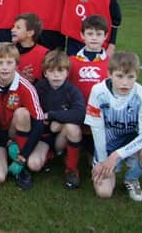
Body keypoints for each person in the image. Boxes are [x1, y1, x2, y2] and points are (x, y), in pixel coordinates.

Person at [85, 52, 142, 202]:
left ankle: (131, 179)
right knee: (104, 192)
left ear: (136, 76)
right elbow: (97, 128)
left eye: (130, 77)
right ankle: (109, 168)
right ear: (109, 74)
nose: (125, 83)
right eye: (119, 76)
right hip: (108, 145)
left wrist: (117, 155)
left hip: (133, 143)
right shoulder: (98, 92)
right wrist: (103, 160)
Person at [0, 43, 44, 190]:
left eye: (9, 62)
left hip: (17, 132)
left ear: (16, 65)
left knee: (22, 113)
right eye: (0, 63)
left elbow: (39, 123)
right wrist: (8, 143)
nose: (4, 67)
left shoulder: (25, 86)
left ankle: (20, 164)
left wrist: (24, 155)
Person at [34, 50, 85, 189]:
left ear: (67, 73)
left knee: (72, 127)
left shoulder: (72, 90)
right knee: (34, 165)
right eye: (51, 71)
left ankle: (72, 169)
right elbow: (33, 113)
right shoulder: (39, 88)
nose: (56, 75)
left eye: (60, 71)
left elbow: (80, 114)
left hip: (61, 136)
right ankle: (50, 155)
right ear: (45, 73)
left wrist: (52, 115)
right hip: (43, 136)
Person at [68, 15, 110, 103]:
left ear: (105, 36)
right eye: (90, 34)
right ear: (82, 35)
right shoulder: (70, 61)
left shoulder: (111, 63)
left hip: (102, 111)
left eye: (98, 34)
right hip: (77, 110)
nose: (94, 38)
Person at [11, 13, 49, 84]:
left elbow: (49, 83)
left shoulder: (45, 54)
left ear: (30, 33)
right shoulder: (7, 51)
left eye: (18, 27)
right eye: (13, 27)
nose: (12, 30)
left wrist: (34, 81)